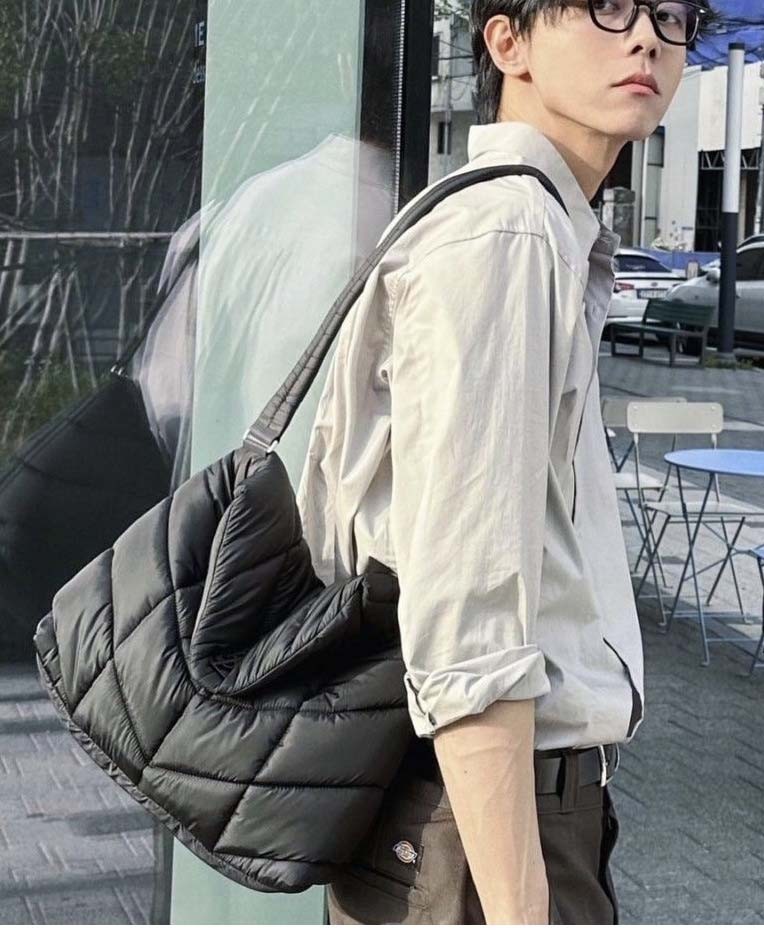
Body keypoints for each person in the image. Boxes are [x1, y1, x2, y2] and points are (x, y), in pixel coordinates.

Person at [296, 0, 721, 926]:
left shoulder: (532, 227)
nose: (646, 37)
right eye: (607, 8)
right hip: (483, 825)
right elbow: (470, 619)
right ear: (508, 41)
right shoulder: (505, 236)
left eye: (670, 15)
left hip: (477, 814)